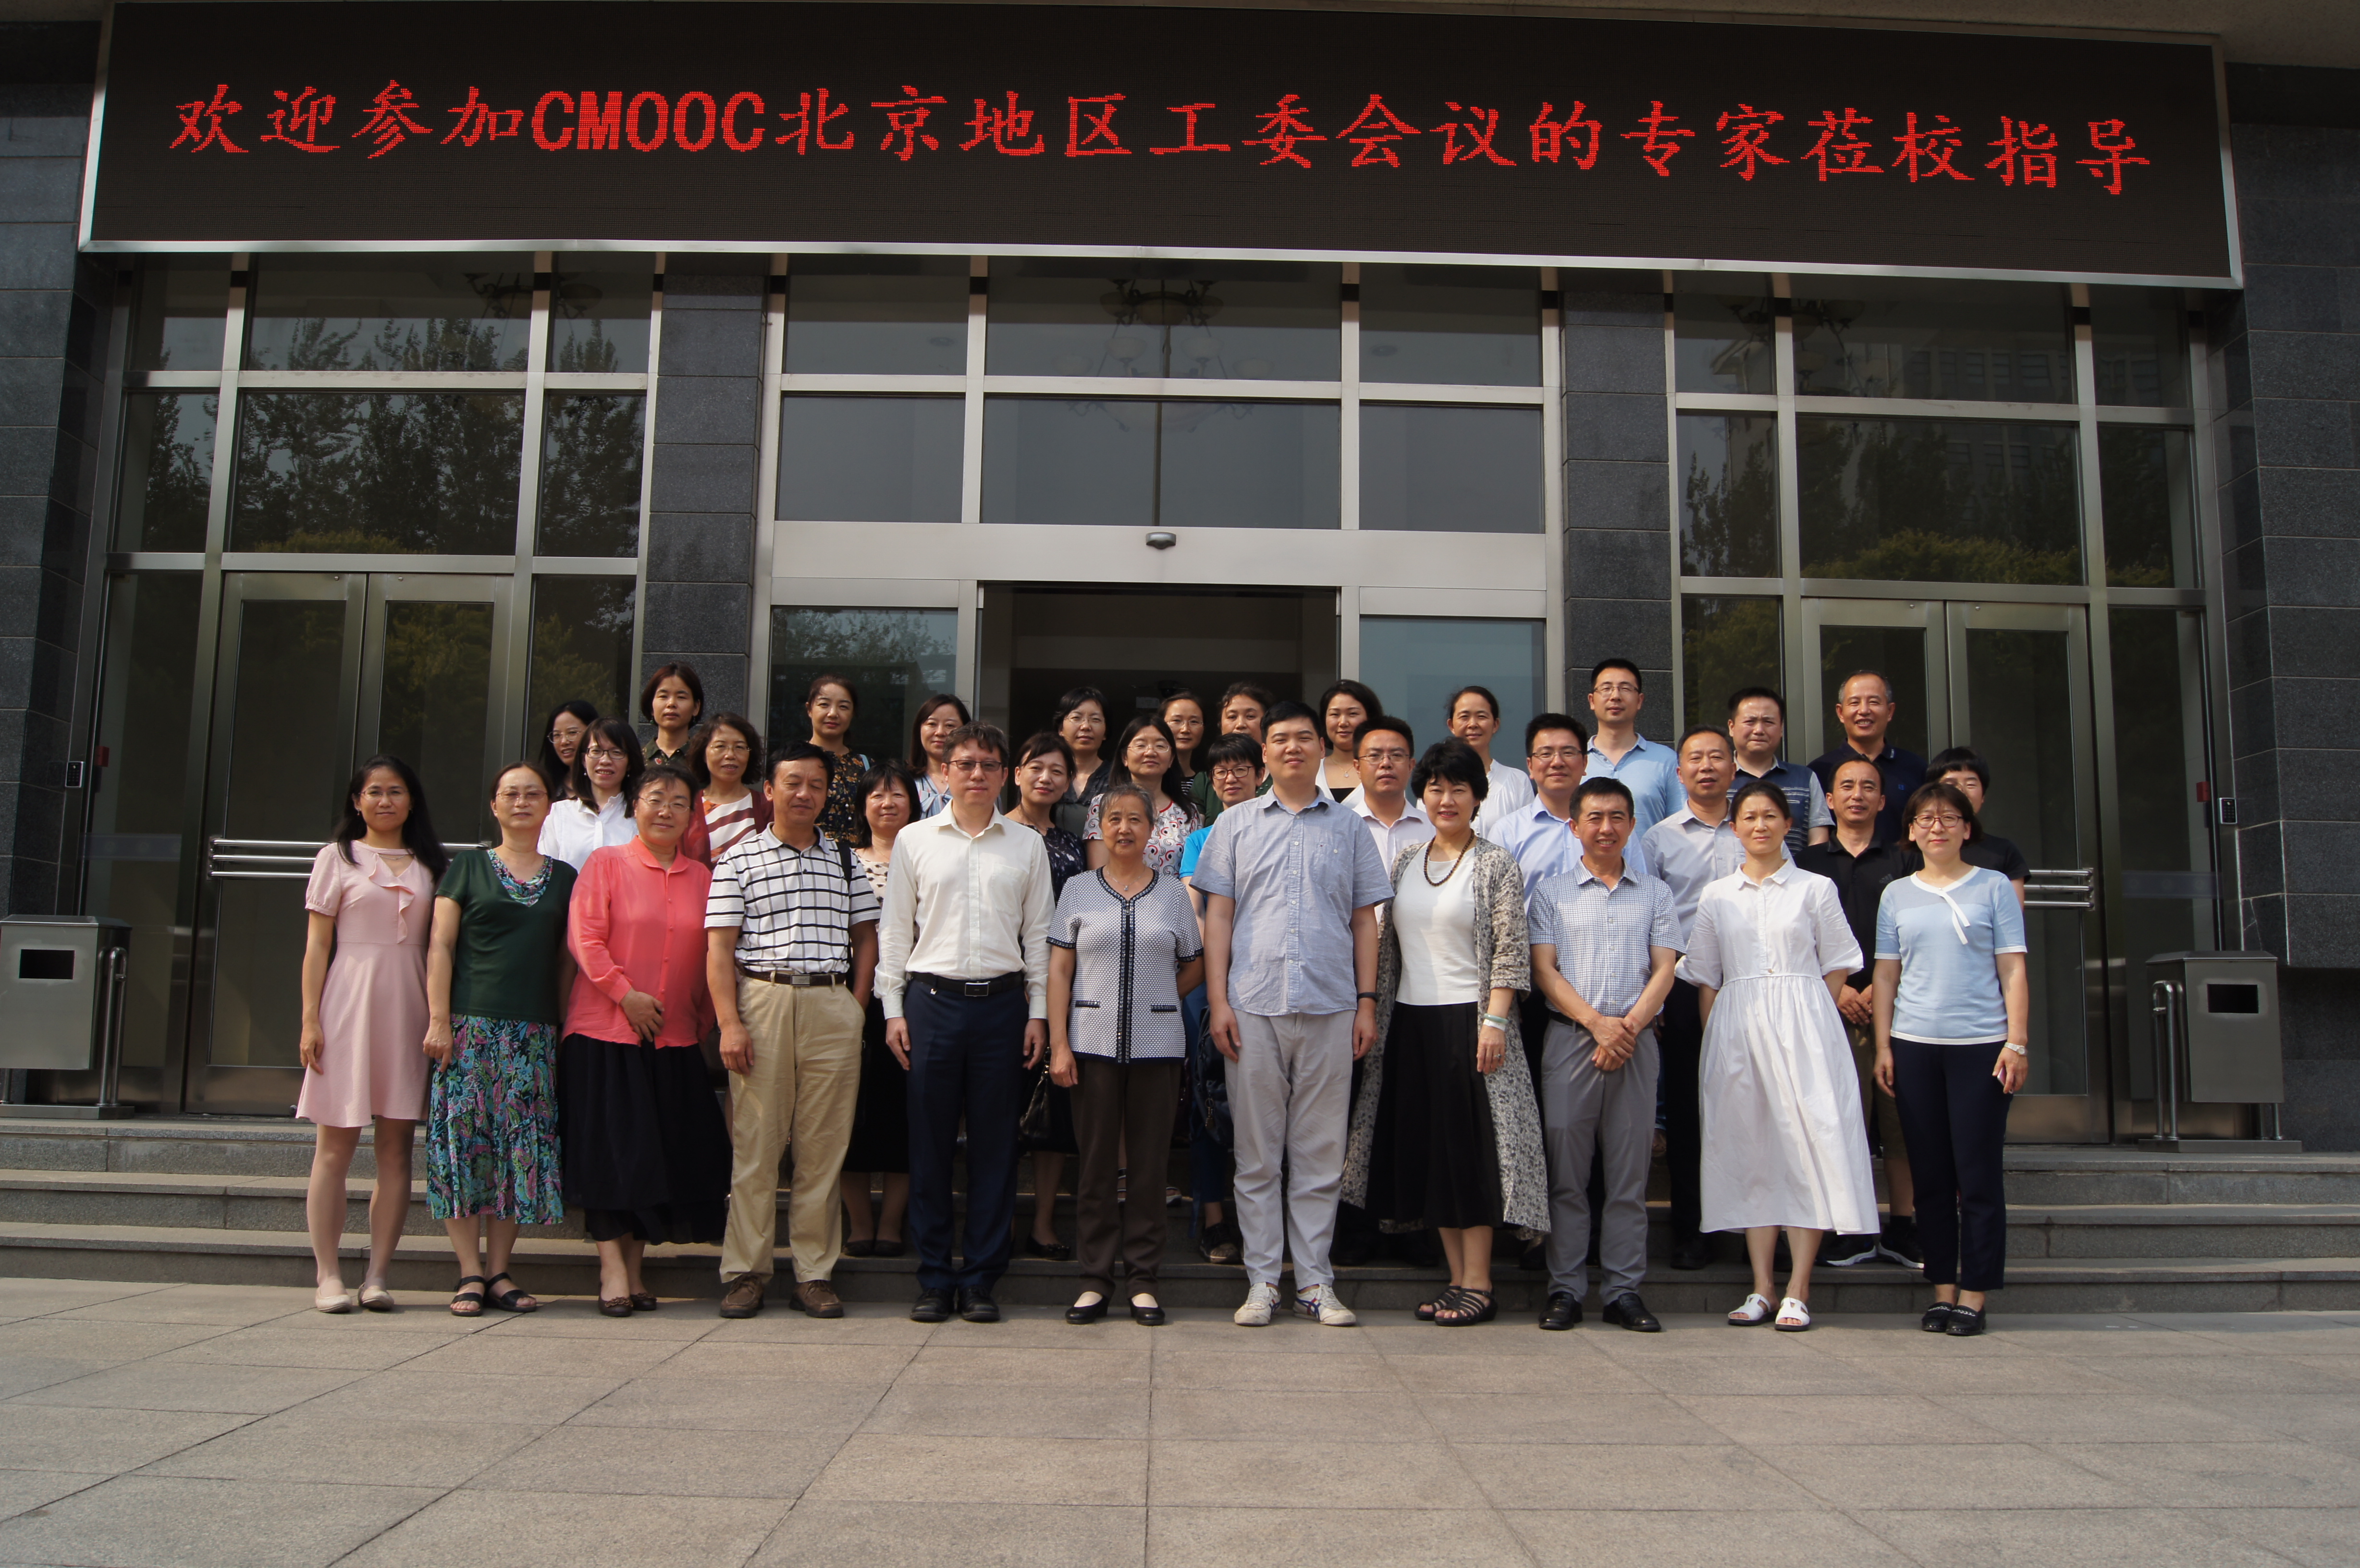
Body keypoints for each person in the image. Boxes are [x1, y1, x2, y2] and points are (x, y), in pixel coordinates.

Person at [1194, 700, 1391, 1328]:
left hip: (1332, 1005)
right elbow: (1218, 917)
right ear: (1265, 753)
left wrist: (1366, 1003)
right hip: (1252, 1006)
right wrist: (1218, 1001)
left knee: (1319, 1154)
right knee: (1256, 1155)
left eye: (1304, 737)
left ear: (1321, 748)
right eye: (1280, 739)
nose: (1293, 748)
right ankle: (1261, 1281)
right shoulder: (1235, 825)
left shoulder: (1350, 826)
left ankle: (1314, 1282)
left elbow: (1365, 921)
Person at [1343, 740, 1544, 1328]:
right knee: (1432, 1151)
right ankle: (1456, 1279)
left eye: (1459, 788)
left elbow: (1511, 950)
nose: (1446, 798)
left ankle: (1480, 1281)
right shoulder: (1407, 860)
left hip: (1471, 1024)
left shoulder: (1495, 863)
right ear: (1422, 795)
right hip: (1411, 1024)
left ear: (1478, 797)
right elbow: (1389, 947)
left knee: (1470, 1153)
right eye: (1435, 787)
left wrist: (1495, 1021)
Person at [1678, 782, 1877, 1333]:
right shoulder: (1717, 895)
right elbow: (1705, 976)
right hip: (1737, 1029)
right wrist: (1717, 1039)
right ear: (1734, 828)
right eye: (1749, 817)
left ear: (1789, 824)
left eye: (1770, 816)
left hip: (1805, 1029)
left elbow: (1838, 961)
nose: (1759, 825)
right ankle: (1762, 1285)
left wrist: (1808, 1007)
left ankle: (1798, 1287)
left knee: (1807, 1146)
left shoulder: (1815, 888)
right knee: (1751, 1151)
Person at [878, 722, 1057, 1325]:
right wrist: (893, 1009)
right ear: (945, 772)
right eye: (965, 764)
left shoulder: (1025, 845)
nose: (977, 774)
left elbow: (1038, 935)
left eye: (988, 765)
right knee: (928, 1145)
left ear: (1004, 775)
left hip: (1003, 1008)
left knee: (995, 1147)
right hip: (931, 1003)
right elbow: (895, 931)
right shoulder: (914, 840)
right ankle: (934, 1278)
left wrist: (1038, 1013)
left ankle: (981, 1277)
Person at [707, 743, 881, 1321]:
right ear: (769, 790)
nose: (804, 793)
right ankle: (746, 1272)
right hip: (764, 999)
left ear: (828, 792)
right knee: (757, 1145)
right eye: (792, 783)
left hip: (831, 1003)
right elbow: (719, 950)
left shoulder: (845, 859)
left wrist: (855, 1006)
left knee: (823, 1147)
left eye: (815, 784)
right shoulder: (738, 859)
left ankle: (814, 1274)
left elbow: (866, 937)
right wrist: (729, 1023)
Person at [560, 764, 730, 1316]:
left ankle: (634, 1269)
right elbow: (585, 938)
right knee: (612, 1156)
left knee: (654, 1159)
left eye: (679, 803)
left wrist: (702, 1020)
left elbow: (713, 957)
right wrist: (624, 994)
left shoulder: (703, 879)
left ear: (692, 816)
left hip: (674, 1041)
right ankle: (612, 1270)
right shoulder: (606, 864)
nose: (666, 811)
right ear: (634, 805)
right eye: (655, 799)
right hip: (606, 1034)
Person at [1873, 780, 2031, 1338]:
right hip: (1914, 1045)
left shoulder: (1992, 886)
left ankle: (1975, 1293)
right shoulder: (1897, 894)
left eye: (1948, 818)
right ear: (1911, 831)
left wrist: (2016, 1042)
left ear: (1967, 828)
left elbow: (2012, 967)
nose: (1935, 827)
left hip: (1981, 1047)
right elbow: (1886, 975)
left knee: (1978, 1174)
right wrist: (1884, 1046)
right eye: (1925, 818)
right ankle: (1941, 1287)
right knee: (1930, 1175)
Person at [422, 762, 578, 1317]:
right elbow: (441, 946)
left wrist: (560, 1025)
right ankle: (468, 1271)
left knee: (519, 1151)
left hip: (533, 1032)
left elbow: (565, 961)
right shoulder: (466, 867)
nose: (521, 802)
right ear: (494, 805)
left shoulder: (565, 877)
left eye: (532, 794)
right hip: (468, 1027)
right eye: (510, 794)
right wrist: (438, 1019)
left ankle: (499, 1272)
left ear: (547, 807)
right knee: (463, 1147)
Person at [1527, 777, 1681, 1333]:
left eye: (1617, 817)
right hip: (1571, 1040)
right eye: (1594, 817)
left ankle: (1623, 1292)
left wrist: (1625, 1029)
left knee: (1628, 1178)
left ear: (1632, 825)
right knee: (1567, 1176)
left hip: (1635, 1044)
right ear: (1574, 827)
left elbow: (1665, 968)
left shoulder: (1655, 894)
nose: (1606, 827)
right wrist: (1597, 1026)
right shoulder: (1551, 893)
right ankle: (1565, 1289)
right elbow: (1544, 970)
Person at [1048, 782, 1205, 1326]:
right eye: (1114, 818)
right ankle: (1095, 1280)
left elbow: (1195, 962)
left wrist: (1160, 998)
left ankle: (1143, 1280)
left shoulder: (1172, 894)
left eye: (1135, 819)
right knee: (1095, 1166)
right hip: (1090, 1043)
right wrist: (1059, 1044)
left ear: (1151, 830)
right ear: (1100, 826)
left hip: (1157, 1047)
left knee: (1148, 1166)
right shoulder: (1078, 890)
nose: (1123, 829)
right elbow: (1059, 969)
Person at [296, 756, 447, 1314]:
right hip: (347, 1004)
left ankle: (378, 1275)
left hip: (410, 1005)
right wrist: (310, 1018)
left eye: (397, 791)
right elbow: (317, 946)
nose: (386, 801)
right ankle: (328, 1275)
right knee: (334, 1146)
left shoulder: (434, 865)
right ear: (357, 801)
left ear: (413, 800)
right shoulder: (336, 858)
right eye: (375, 791)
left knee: (396, 1149)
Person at [1796, 756, 1919, 1270]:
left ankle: (1905, 1227)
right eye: (1846, 786)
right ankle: (1851, 1228)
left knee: (1900, 1123)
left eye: (1868, 787)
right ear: (1829, 800)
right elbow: (1796, 937)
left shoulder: (1905, 860)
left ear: (1883, 800)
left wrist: (1877, 993)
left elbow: (1915, 934)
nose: (1857, 795)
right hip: (1827, 1006)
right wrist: (1840, 990)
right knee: (1839, 1120)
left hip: (1897, 1008)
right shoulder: (1806, 863)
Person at [1639, 725, 1745, 1271]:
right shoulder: (1658, 839)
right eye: (1695, 759)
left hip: (1750, 982)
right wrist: (1655, 998)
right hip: (1681, 985)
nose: (1707, 767)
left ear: (1734, 768)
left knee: (1752, 1105)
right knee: (1686, 1111)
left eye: (1717, 758)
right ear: (1678, 773)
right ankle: (1692, 1230)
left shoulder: (1756, 828)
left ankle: (1757, 1229)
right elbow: (1646, 919)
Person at [1177, 733, 1265, 1267]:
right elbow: (1196, 913)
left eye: (1240, 769)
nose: (1231, 779)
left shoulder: (1280, 832)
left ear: (1261, 775)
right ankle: (1213, 1218)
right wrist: (1215, 980)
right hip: (1211, 984)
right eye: (1221, 772)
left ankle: (1267, 1224)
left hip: (1266, 983)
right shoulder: (1201, 840)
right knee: (1208, 1099)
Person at [1007, 731, 1087, 1262]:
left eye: (1057, 771)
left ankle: (1042, 1224)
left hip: (1063, 985)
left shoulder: (1073, 845)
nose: (1045, 778)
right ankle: (999, 1220)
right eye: (1036, 767)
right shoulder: (995, 834)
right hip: (1003, 982)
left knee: (1053, 1110)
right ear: (1016, 774)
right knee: (1001, 1108)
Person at [841, 762, 922, 1259]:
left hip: (913, 1001)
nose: (887, 804)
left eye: (897, 795)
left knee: (902, 1116)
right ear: (862, 805)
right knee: (848, 1115)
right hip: (850, 1000)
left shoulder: (928, 858)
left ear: (913, 805)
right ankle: (859, 1223)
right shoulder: (842, 861)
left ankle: (891, 1224)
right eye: (877, 795)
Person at [1809, 670, 1927, 847]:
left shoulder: (1916, 768)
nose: (1864, 710)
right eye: (1854, 703)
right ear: (1841, 713)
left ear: (1890, 711)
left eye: (1874, 702)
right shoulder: (1819, 771)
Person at [1083, 715, 1201, 872]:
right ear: (1125, 757)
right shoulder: (1102, 805)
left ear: (1172, 758)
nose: (1150, 752)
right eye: (1141, 745)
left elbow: (1194, 874)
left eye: (1160, 746)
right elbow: (1098, 874)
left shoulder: (1188, 812)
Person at [1727, 687, 1832, 857]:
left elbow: (1818, 841)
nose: (1759, 730)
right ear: (1732, 727)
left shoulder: (1805, 778)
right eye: (1750, 721)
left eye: (1768, 722)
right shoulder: (1717, 779)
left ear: (1781, 728)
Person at [1582, 659, 1682, 837]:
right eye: (1606, 688)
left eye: (1626, 688)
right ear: (1592, 701)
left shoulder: (1666, 760)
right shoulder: (1575, 760)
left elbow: (1680, 825)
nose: (1615, 696)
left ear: (1639, 701)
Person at [1921, 747, 2029, 905]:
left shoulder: (2003, 852)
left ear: (1983, 795)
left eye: (1971, 785)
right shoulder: (1917, 848)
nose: (1961, 791)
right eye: (1951, 784)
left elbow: (2012, 914)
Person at [541, 717, 643, 871]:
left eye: (616, 752)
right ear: (584, 760)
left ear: (630, 763)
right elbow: (547, 874)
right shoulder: (557, 814)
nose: (605, 760)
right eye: (596, 751)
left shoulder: (641, 815)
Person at [1342, 716, 1434, 865]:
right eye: (1374, 756)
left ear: (1411, 766)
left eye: (1396, 755)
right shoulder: (1343, 829)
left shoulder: (1434, 829)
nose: (1386, 763)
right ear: (1358, 767)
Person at [681, 712, 770, 866]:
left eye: (740, 747)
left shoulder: (767, 806)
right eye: (720, 746)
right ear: (704, 753)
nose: (730, 755)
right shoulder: (686, 807)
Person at [1448, 685, 1535, 836]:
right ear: (1452, 725)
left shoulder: (1518, 781)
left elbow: (1528, 837)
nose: (1473, 724)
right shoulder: (1435, 781)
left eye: (1482, 716)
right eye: (1464, 717)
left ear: (1495, 725)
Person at [1193, 682, 1277, 822]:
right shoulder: (1204, 782)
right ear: (1220, 725)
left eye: (1250, 716)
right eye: (1232, 717)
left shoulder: (1281, 777)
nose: (1240, 725)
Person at [803, 673, 873, 840]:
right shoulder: (795, 761)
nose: (833, 713)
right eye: (824, 705)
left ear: (853, 713)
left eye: (843, 707)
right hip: (813, 853)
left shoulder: (867, 765)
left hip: (861, 854)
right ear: (810, 709)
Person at [1051, 686, 1113, 838]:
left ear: (1106, 732)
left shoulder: (1119, 777)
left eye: (1096, 720)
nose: (1086, 726)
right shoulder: (1046, 775)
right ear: (1061, 729)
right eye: (1076, 718)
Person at [1315, 678, 1382, 801]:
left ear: (1370, 718)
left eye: (1352, 714)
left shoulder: (1383, 768)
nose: (1343, 723)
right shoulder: (1311, 770)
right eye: (1335, 714)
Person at [908, 693, 971, 820]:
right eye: (932, 724)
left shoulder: (979, 780)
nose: (940, 732)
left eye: (950, 726)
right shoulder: (904, 781)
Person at [641, 662, 705, 767]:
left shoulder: (705, 760)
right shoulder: (636, 760)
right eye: (663, 696)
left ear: (696, 707)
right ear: (651, 706)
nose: (671, 704)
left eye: (681, 697)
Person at [538, 700, 598, 802]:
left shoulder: (608, 785)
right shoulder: (546, 789)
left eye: (572, 733)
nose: (564, 742)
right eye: (557, 735)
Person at [1160, 690, 1207, 796]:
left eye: (1194, 722)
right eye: (1177, 721)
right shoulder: (1150, 779)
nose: (1185, 729)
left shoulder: (1210, 783)